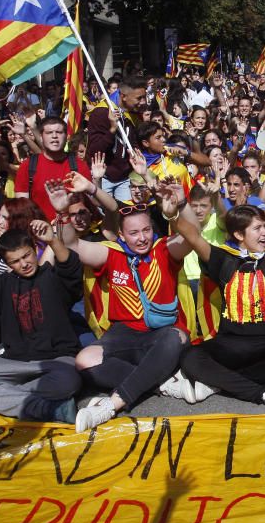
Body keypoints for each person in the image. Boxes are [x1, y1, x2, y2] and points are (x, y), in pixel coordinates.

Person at [53, 181, 192, 432]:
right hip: (124, 334)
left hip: (162, 333)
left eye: (146, 230)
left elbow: (191, 237)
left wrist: (181, 204)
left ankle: (112, 405)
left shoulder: (163, 249)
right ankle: (158, 380)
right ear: (122, 235)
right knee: (84, 361)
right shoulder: (113, 253)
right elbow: (72, 246)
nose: (142, 238)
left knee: (175, 338)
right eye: (134, 233)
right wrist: (62, 213)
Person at [161, 166, 265, 411]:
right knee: (190, 358)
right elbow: (193, 237)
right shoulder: (224, 260)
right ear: (238, 234)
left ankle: (217, 383)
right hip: (230, 343)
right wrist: (173, 215)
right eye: (258, 228)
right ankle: (261, 393)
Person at [0, 221, 85, 422]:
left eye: (26, 255)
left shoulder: (51, 277)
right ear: (7, 263)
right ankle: (50, 410)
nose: (23, 264)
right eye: (15, 261)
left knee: (69, 380)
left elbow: (71, 270)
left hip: (56, 359)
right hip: (13, 360)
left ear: (34, 250)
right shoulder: (2, 284)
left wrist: (52, 240)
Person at [15, 117, 91, 221]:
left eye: (59, 132)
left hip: (74, 231)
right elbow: (22, 207)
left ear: (66, 137)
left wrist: (97, 179)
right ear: (41, 137)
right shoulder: (27, 166)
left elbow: (93, 202)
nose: (54, 136)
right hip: (41, 231)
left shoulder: (79, 165)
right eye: (49, 133)